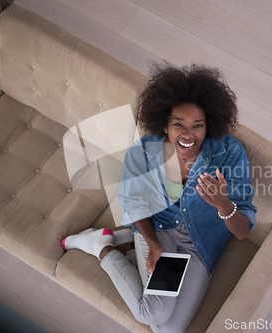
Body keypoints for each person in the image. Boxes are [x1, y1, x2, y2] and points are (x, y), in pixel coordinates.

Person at [62, 62, 257, 333]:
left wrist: (224, 204)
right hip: (160, 231)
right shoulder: (142, 152)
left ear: (208, 125)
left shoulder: (230, 154)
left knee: (169, 330)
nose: (188, 135)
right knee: (154, 312)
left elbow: (243, 232)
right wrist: (153, 243)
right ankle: (102, 248)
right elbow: (133, 203)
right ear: (165, 125)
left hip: (199, 245)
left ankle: (126, 249)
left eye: (197, 126)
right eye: (179, 125)